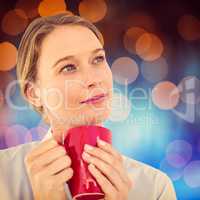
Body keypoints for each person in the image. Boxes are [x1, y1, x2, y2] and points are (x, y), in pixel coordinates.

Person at [0, 13, 177, 200]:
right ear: (33, 93)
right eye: (68, 67)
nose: (93, 79)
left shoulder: (155, 187)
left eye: (98, 59)